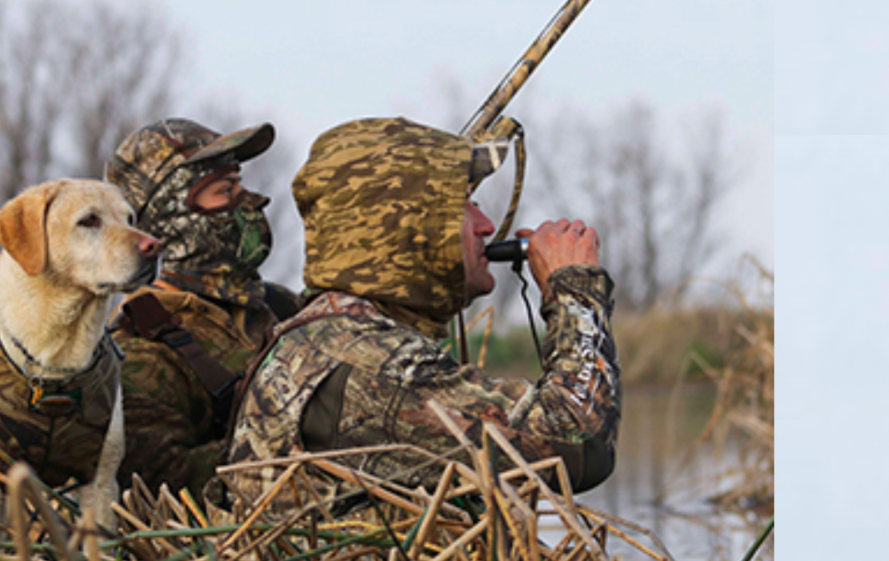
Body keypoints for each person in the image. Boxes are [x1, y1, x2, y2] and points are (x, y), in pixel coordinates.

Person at [225, 116, 620, 509]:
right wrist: (574, 290)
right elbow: (577, 443)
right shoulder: (366, 359)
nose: (487, 226)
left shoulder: (329, 334)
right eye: (463, 205)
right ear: (406, 225)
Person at [104, 118, 300, 494]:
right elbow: (157, 481)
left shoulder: (282, 307)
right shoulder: (141, 347)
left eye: (240, 185)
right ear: (171, 213)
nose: (252, 202)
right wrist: (300, 451)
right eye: (225, 190)